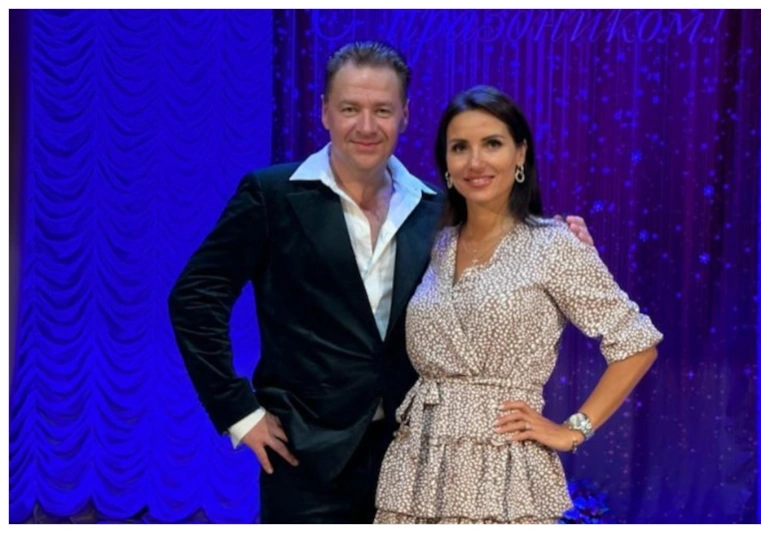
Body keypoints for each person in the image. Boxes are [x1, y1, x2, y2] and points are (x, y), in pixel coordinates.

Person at [168, 42, 593, 524]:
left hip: (417, 456)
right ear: (325, 111)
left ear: (405, 115)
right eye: (350, 108)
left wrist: (561, 239)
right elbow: (195, 299)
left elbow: (500, 264)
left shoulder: (438, 209)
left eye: (382, 110)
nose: (366, 126)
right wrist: (239, 413)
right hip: (305, 457)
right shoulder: (271, 195)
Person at [373, 85, 663, 524]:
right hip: (417, 469)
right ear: (446, 163)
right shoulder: (435, 244)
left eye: (492, 144)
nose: (475, 162)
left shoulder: (553, 244)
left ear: (520, 153)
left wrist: (573, 430)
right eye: (460, 147)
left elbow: (637, 344)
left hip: (504, 473)